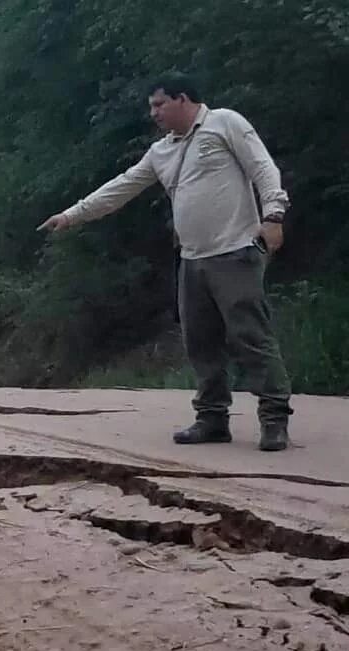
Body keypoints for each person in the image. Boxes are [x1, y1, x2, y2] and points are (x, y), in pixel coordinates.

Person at [38, 75, 292, 452]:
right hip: (191, 259)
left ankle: (274, 420)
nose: (153, 113)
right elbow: (121, 187)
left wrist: (273, 214)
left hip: (236, 251)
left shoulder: (225, 123)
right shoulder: (161, 151)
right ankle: (211, 419)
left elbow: (263, 167)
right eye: (151, 106)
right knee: (201, 342)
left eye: (159, 104)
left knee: (250, 337)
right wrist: (71, 215)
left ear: (183, 99)